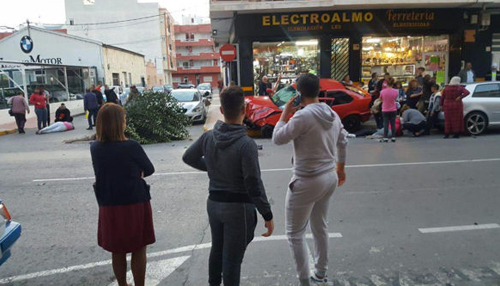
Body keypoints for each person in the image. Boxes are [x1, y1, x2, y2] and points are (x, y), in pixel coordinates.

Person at [182, 86, 274, 286]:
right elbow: (253, 183)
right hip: (238, 208)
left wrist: (213, 168)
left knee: (217, 250)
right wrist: (267, 214)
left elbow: (188, 157)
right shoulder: (245, 144)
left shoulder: (208, 137)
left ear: (222, 110)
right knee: (232, 260)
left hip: (214, 204)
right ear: (244, 110)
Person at [272, 74, 348, 286]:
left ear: (298, 93)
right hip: (329, 177)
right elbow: (343, 143)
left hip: (306, 181)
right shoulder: (332, 114)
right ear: (318, 90)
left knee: (295, 234)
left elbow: (278, 138)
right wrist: (341, 169)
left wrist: (284, 114)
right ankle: (320, 274)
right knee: (319, 227)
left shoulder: (302, 116)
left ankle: (305, 281)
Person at [90, 104, 155, 286]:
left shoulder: (95, 147)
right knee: (138, 248)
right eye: (124, 119)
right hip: (134, 202)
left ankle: (122, 284)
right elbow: (149, 169)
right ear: (119, 123)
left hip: (109, 204)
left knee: (117, 251)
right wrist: (137, 173)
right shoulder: (131, 146)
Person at [379, 77, 398, 142]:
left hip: (385, 109)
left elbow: (381, 99)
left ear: (386, 84)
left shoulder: (382, 92)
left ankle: (385, 137)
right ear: (393, 84)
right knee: (393, 124)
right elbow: (395, 99)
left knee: (386, 123)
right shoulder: (396, 91)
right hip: (393, 109)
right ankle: (393, 137)